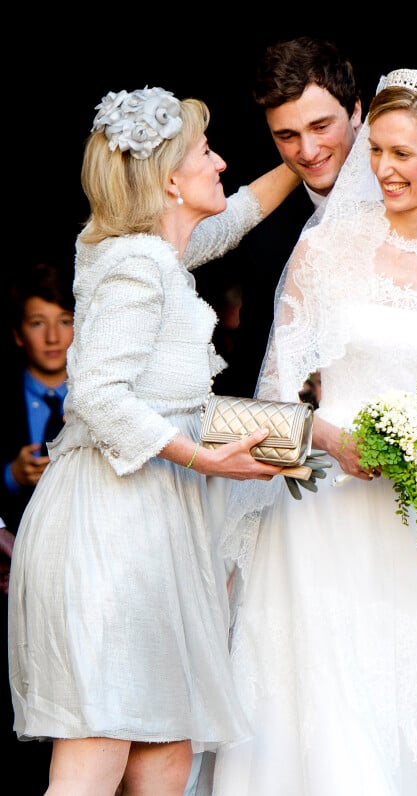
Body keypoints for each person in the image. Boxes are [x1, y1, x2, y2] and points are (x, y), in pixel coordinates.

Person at [206, 69, 417, 794]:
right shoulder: (324, 250)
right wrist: (332, 441)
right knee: (330, 706)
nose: (383, 170)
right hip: (329, 513)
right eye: (378, 151)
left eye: (403, 154)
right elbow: (273, 395)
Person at [7, 84, 302, 796]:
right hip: (110, 530)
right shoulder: (138, 264)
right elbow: (98, 396)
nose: (222, 161)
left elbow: (232, 219)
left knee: (166, 757)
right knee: (98, 750)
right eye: (206, 152)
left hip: (151, 529)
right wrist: (209, 460)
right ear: (172, 179)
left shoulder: (148, 250)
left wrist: (307, 159)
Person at [189, 36, 362, 397]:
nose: (308, 151)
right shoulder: (262, 227)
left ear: (356, 112)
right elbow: (255, 352)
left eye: (320, 127)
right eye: (287, 135)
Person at [0, 259, 75, 793]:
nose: (53, 337)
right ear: (17, 334)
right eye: (37, 322)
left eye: (65, 320)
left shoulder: (101, 393)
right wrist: (9, 475)